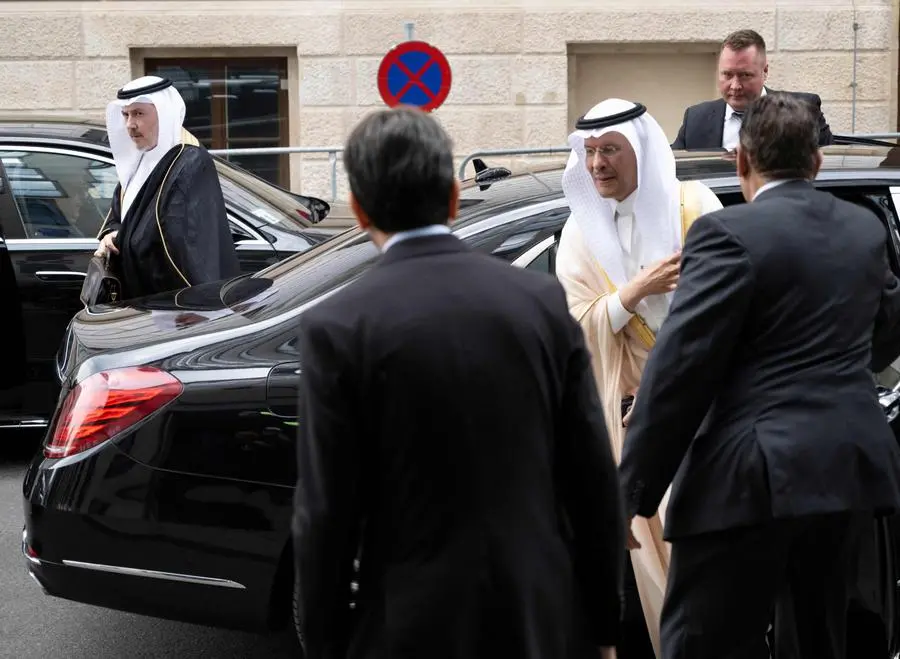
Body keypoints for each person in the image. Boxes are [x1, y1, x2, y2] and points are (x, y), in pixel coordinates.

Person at [291, 106, 627, 659]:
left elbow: (326, 513)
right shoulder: (539, 302)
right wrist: (603, 627)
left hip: (409, 623)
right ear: (452, 198)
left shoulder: (338, 326)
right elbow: (591, 479)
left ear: (357, 210)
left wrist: (329, 644)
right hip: (536, 617)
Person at [619, 92, 900, 659]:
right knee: (820, 640)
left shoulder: (726, 235)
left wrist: (632, 493)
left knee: (704, 642)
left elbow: (680, 370)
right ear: (817, 163)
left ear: (741, 162)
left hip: (748, 477)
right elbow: (889, 328)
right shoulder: (864, 231)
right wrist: (834, 375)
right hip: (846, 470)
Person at [554, 97, 723, 659]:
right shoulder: (579, 234)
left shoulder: (696, 207)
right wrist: (631, 295)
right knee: (651, 583)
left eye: (611, 151)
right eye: (592, 152)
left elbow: (733, 311)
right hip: (632, 427)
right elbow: (574, 329)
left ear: (641, 152)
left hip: (706, 422)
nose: (599, 164)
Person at [94, 75, 240, 299]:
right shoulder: (141, 158)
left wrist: (121, 239)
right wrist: (111, 234)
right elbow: (123, 214)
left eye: (139, 113)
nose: (130, 125)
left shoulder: (189, 161)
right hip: (140, 298)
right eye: (126, 114)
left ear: (164, 113)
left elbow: (180, 241)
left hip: (176, 303)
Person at [671, 29, 833, 151]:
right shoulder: (696, 119)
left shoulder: (803, 111)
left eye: (745, 75)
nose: (735, 86)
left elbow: (831, 172)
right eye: (727, 75)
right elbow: (671, 171)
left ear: (765, 71)